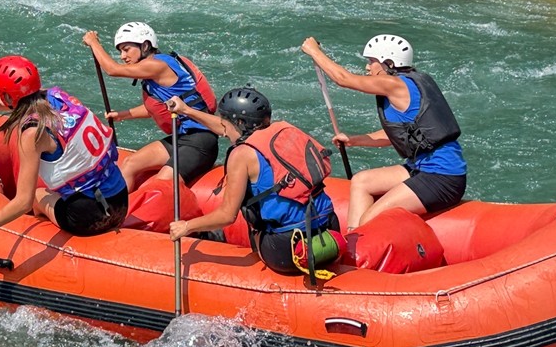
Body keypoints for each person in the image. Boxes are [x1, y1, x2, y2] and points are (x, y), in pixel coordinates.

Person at [0, 55, 129, 245]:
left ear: (6, 96)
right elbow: (16, 103)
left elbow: (23, 202)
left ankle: (37, 240)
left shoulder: (32, 133)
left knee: (37, 196)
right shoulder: (57, 96)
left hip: (90, 218)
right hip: (120, 201)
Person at [166, 87, 340, 276]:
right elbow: (228, 129)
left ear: (240, 123)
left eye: (225, 123)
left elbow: (227, 216)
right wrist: (186, 110)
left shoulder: (242, 155)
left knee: (245, 218)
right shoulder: (285, 131)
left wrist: (186, 226)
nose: (223, 130)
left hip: (290, 251)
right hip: (330, 230)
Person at [301, 34, 467, 230]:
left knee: (369, 220)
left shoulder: (394, 84)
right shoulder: (408, 84)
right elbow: (400, 134)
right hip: (420, 168)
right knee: (361, 181)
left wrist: (315, 52)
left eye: (372, 61)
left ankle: (362, 238)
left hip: (442, 177)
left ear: (389, 63)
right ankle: (353, 242)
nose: (367, 67)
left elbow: (344, 79)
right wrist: (354, 140)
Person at [82, 22, 220, 190]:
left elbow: (112, 70)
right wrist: (122, 115)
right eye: (120, 51)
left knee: (161, 183)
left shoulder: (157, 66)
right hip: (181, 138)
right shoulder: (155, 70)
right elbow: (157, 107)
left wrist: (93, 42)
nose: (123, 56)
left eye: (126, 49)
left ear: (145, 46)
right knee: (130, 164)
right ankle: (121, 207)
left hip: (200, 142)